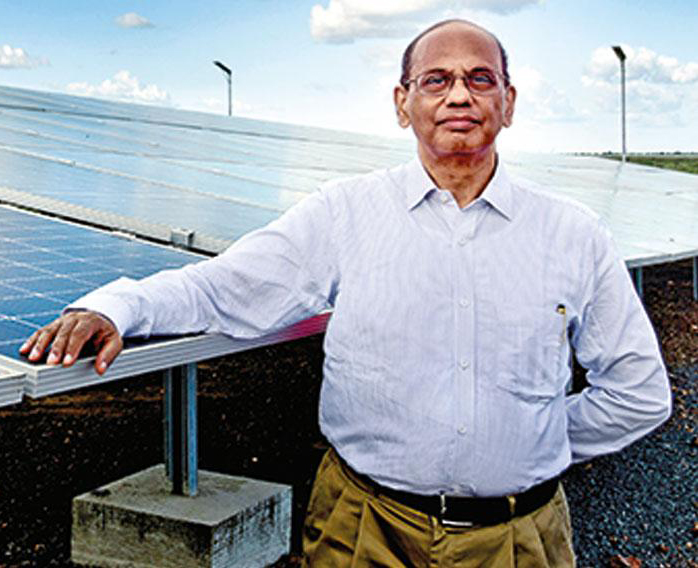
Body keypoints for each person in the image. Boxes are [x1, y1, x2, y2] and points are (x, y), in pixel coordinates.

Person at [20, 19, 671, 567]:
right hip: (362, 531)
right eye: (436, 80)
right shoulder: (345, 214)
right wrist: (118, 306)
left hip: (519, 542)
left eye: (480, 79)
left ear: (509, 102)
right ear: (402, 103)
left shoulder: (573, 235)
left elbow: (639, 392)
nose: (458, 96)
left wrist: (531, 440)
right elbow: (225, 287)